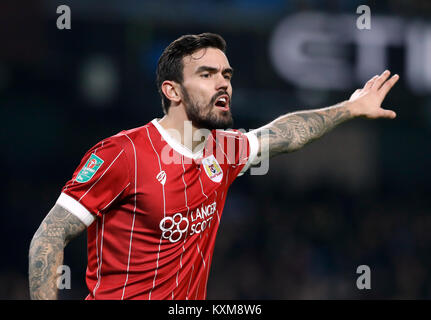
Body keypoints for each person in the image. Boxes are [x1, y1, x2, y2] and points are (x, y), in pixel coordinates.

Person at [28, 33, 399, 300]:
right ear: (172, 91)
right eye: (207, 75)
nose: (223, 84)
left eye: (227, 75)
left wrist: (349, 108)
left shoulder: (224, 149)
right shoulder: (122, 154)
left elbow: (287, 133)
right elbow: (49, 236)